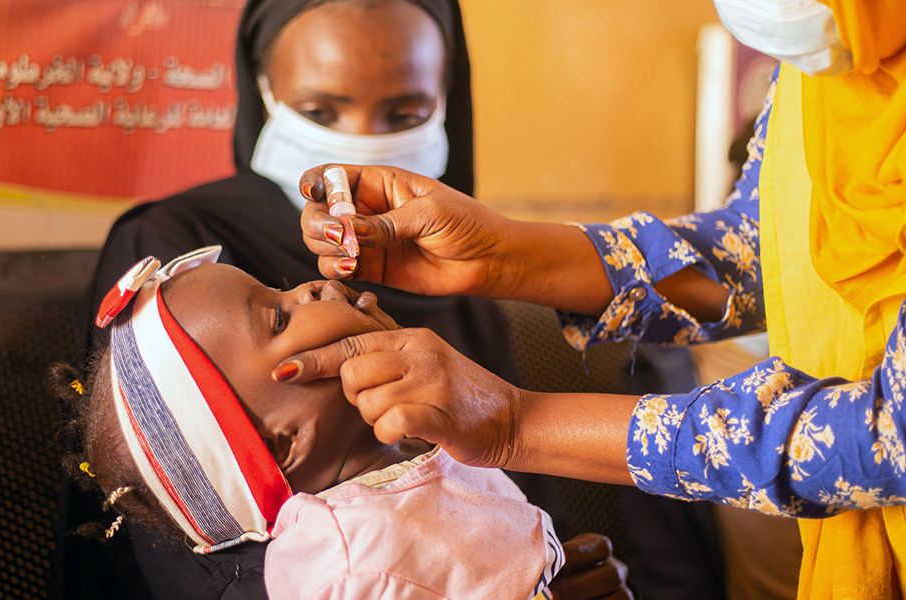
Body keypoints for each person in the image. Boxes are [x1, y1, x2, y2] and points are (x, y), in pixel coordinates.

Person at [284, 1, 906, 597]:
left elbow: (890, 435)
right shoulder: (827, 52)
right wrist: (503, 255)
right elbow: (769, 248)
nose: (315, 291)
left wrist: (518, 423)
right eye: (274, 311)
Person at [67, 1, 626, 598]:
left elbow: (525, 499)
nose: (361, 144)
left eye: (406, 112)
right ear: (264, 93)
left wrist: (554, 572)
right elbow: (184, 541)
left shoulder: (468, 291)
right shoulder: (183, 265)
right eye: (320, 111)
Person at [60, 246, 568, 599]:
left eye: (278, 291)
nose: (308, 289)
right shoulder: (347, 567)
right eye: (280, 317)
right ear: (283, 444)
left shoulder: (431, 447)